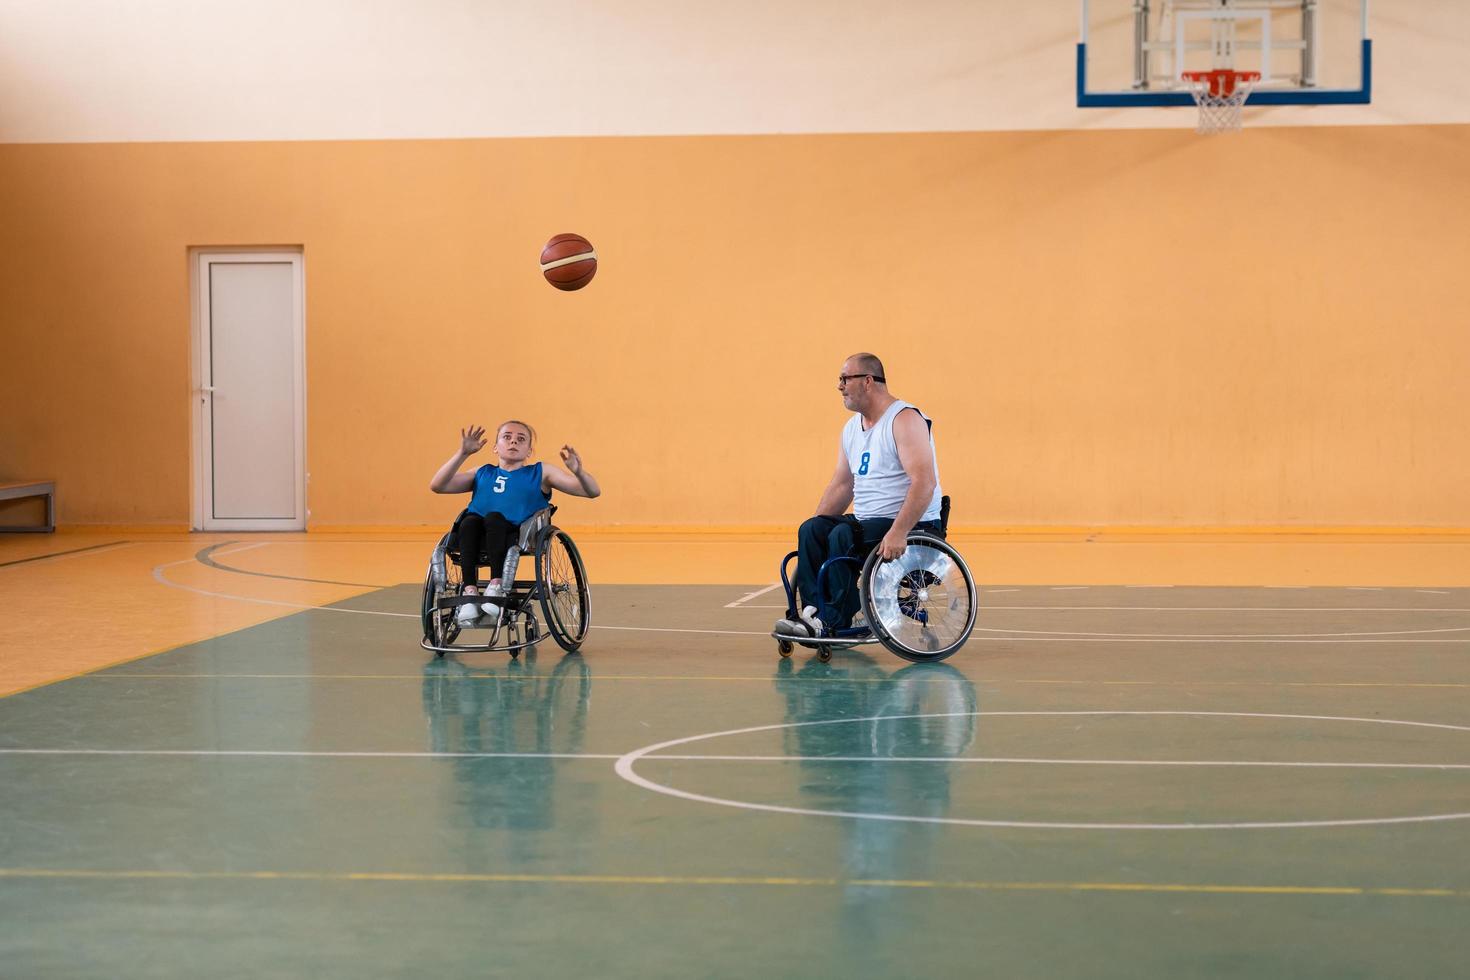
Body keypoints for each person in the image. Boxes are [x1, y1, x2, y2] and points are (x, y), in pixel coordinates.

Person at [776, 354, 943, 638]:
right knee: (812, 529)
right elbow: (842, 485)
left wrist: (898, 532)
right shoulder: (852, 428)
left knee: (842, 534)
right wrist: (817, 532)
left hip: (912, 525)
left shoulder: (904, 419)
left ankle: (835, 619)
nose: (839, 386)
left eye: (845, 379)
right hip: (867, 523)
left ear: (868, 381)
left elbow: (924, 483)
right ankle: (811, 614)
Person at [429, 420, 600, 624]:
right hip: (474, 534)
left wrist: (579, 472)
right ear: (495, 447)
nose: (513, 442)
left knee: (494, 518)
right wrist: (462, 454)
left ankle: (497, 585)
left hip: (516, 534)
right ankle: (469, 593)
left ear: (529, 451)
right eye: (506, 437)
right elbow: (438, 485)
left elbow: (592, 492)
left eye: (521, 439)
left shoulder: (541, 472)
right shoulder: (482, 473)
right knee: (469, 521)